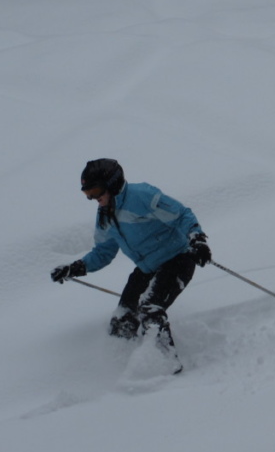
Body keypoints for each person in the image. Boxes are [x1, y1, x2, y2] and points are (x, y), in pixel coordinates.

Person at [51, 159, 210, 371]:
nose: (93, 199)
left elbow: (181, 215)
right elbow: (103, 252)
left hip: (178, 259)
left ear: (113, 184)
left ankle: (165, 367)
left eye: (96, 191)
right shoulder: (105, 215)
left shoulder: (142, 196)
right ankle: (120, 367)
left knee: (150, 309)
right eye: (88, 194)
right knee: (123, 319)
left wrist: (197, 239)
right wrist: (77, 267)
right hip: (147, 269)